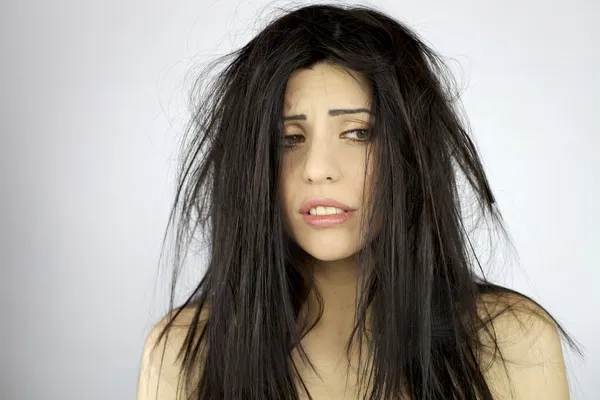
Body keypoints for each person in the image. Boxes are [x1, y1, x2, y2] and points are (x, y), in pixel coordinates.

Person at [136, 3, 582, 399]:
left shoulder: (512, 342)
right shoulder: (180, 353)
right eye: (288, 138)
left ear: (411, 153)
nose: (317, 167)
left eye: (358, 133)